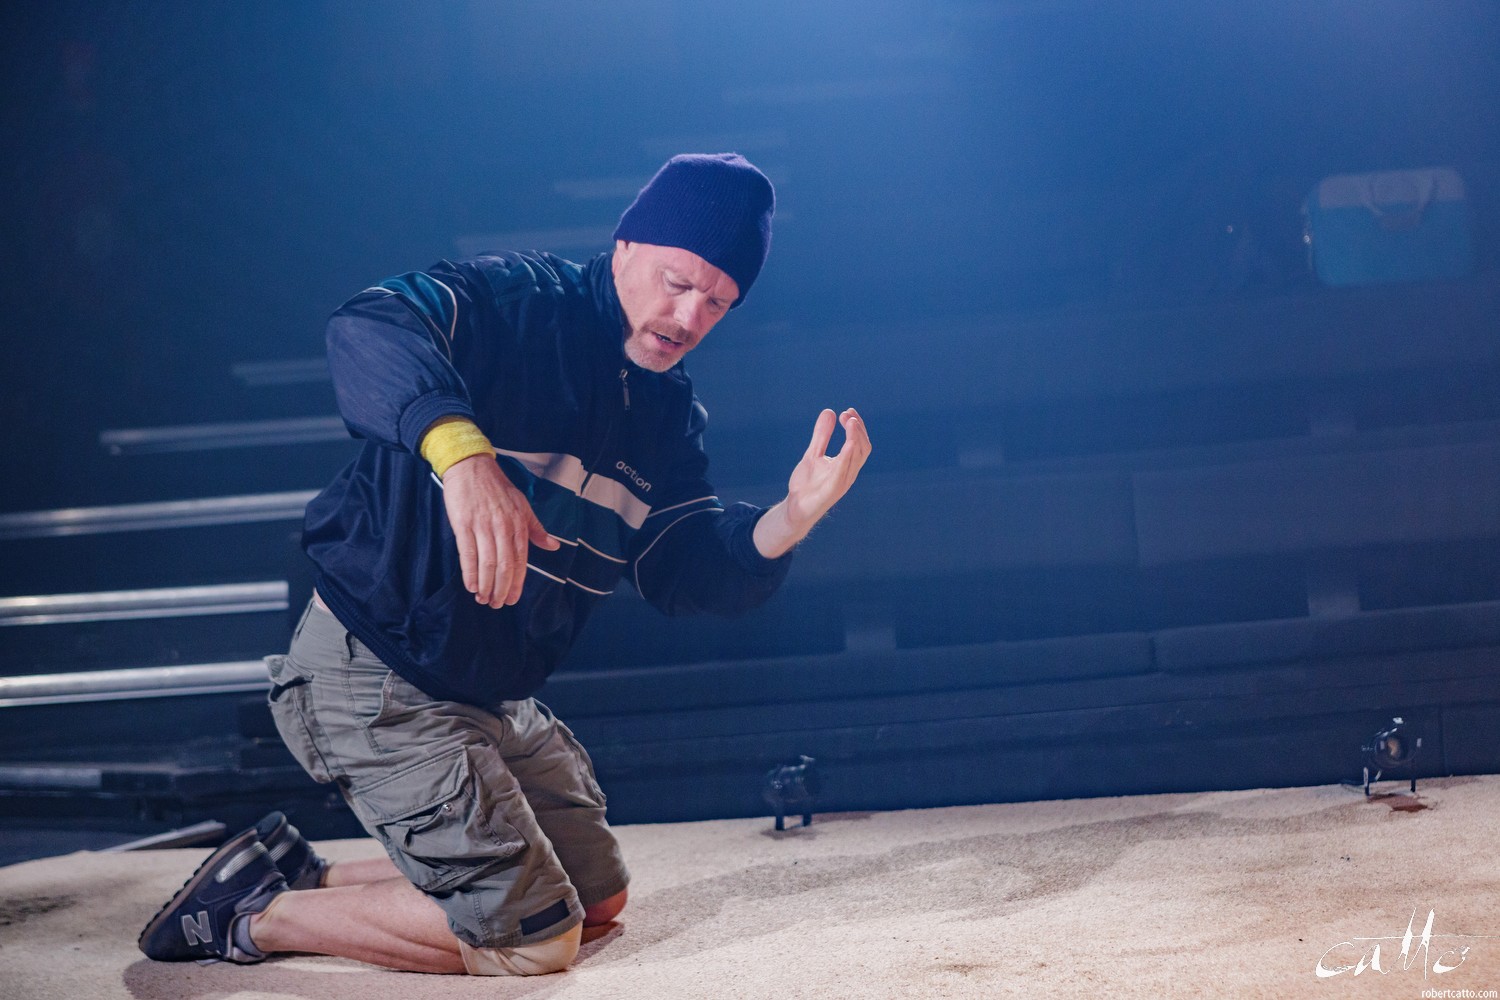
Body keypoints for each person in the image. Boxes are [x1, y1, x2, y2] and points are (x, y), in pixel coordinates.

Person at [138, 153, 871, 976]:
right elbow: (370, 325)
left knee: (597, 906)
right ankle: (252, 914)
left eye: (718, 301)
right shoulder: (519, 303)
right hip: (377, 669)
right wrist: (463, 456)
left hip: (490, 693)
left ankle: (309, 872)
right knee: (534, 942)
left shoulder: (669, 414)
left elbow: (684, 570)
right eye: (676, 279)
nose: (689, 313)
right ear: (625, 247)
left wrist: (790, 517)